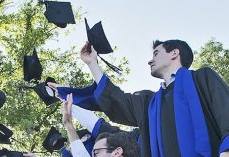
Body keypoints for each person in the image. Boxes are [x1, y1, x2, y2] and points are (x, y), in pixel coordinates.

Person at [81, 39, 229, 157]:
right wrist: (92, 63)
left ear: (174, 53)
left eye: (156, 53)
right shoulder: (150, 104)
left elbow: (225, 110)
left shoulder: (201, 78)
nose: (150, 61)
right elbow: (118, 100)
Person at [61, 94, 139, 157]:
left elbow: (97, 125)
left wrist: (68, 123)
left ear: (116, 153)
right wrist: (68, 124)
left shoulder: (147, 142)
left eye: (96, 153)